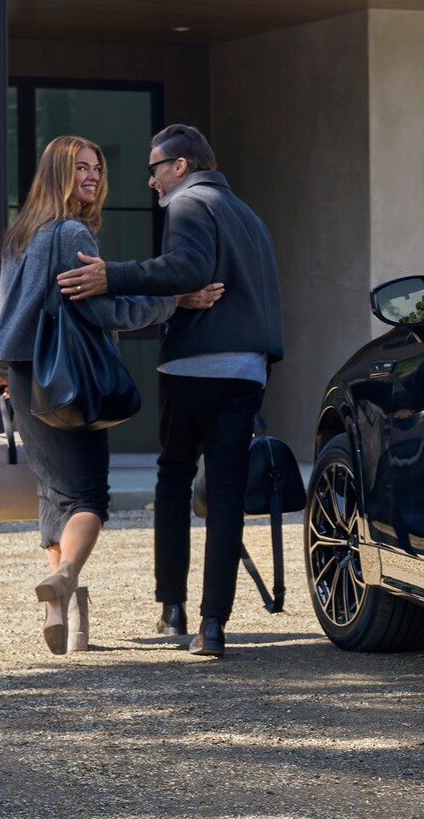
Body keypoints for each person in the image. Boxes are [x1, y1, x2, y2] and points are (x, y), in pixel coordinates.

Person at [0, 134, 223, 655]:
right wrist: (174, 302)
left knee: (54, 493)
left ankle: (65, 617)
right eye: (80, 168)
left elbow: (2, 313)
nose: (92, 176)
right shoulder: (71, 232)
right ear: (58, 173)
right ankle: (65, 573)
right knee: (89, 496)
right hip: (67, 377)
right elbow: (103, 309)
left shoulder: (19, 234)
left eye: (96, 168)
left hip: (20, 375)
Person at [57, 124, 284, 658]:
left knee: (175, 475)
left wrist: (111, 275)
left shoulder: (188, 203)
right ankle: (214, 626)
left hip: (194, 363)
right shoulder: (249, 217)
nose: (151, 181)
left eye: (155, 168)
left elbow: (188, 268)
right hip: (248, 369)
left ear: (180, 166)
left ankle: (173, 607)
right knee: (226, 492)